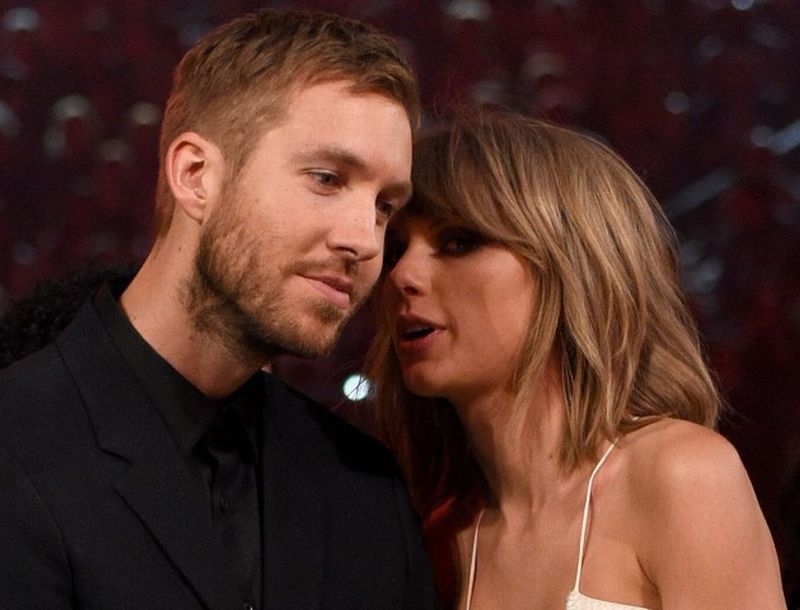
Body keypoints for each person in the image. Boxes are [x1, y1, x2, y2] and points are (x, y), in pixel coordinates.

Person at [0, 9, 436, 610]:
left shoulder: (365, 489)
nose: (365, 240)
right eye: (327, 178)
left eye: (385, 206)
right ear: (195, 175)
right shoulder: (16, 446)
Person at [368, 112, 786, 609]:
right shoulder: (438, 534)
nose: (402, 275)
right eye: (394, 250)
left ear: (573, 264)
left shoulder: (680, 474)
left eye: (459, 242)